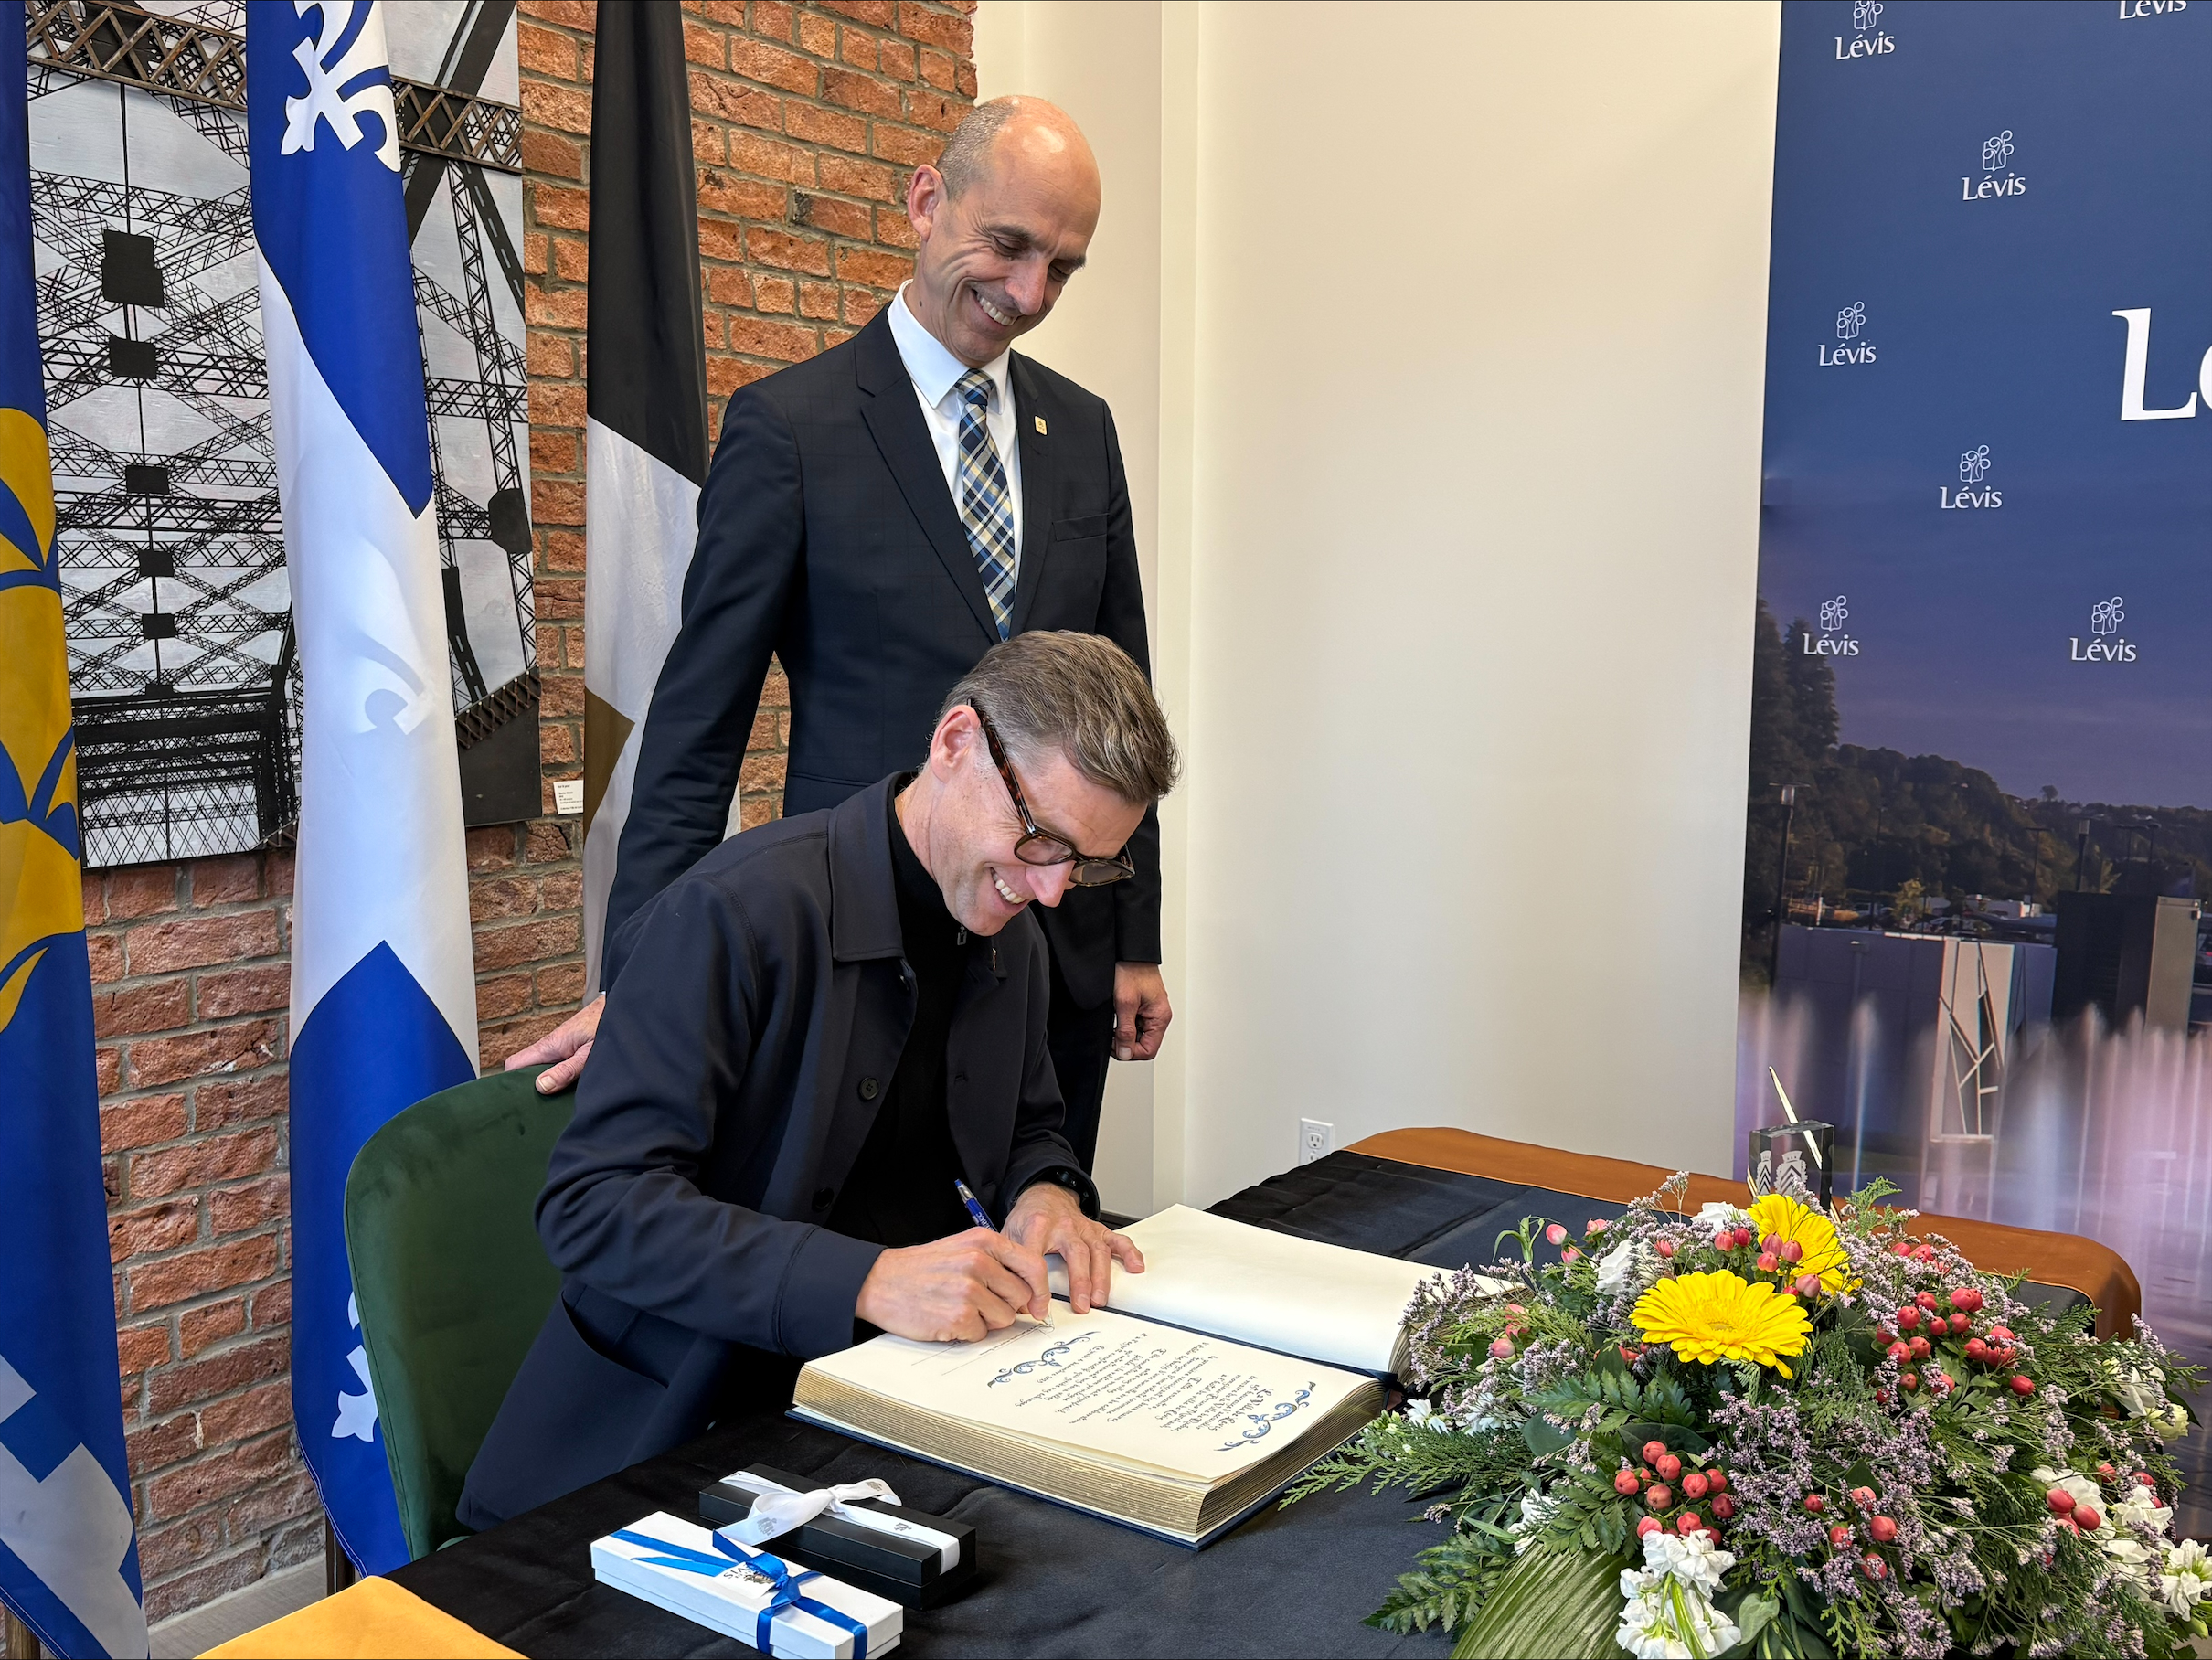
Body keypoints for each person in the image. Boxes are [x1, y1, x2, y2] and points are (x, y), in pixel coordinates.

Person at [509, 96, 1167, 1171]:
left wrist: (1134, 936)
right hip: (865, 951)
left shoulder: (1082, 430)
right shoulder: (790, 429)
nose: (1028, 294)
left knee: (1046, 1234)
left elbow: (1122, 710)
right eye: (1007, 246)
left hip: (1060, 953)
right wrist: (640, 972)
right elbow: (695, 732)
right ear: (925, 201)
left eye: (1061, 268)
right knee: (876, 1255)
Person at [457, 633, 1179, 1528]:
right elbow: (593, 1206)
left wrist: (1045, 1193)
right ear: (956, 742)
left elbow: (1027, 1123)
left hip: (887, 1403)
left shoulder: (1013, 933)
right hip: (664, 1442)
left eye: (1088, 863)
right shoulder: (734, 913)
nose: (1054, 890)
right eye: (1040, 840)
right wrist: (864, 1281)